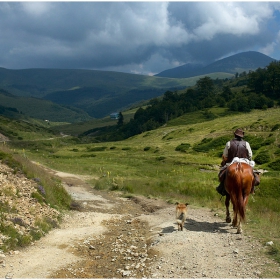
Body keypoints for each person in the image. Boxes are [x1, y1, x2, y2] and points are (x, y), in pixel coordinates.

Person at [216, 128, 260, 196]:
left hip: (231, 163)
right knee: (253, 174)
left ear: (235, 135)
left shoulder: (229, 143)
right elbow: (250, 155)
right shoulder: (246, 143)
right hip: (245, 162)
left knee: (222, 174)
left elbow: (225, 155)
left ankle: (222, 188)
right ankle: (252, 188)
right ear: (242, 136)